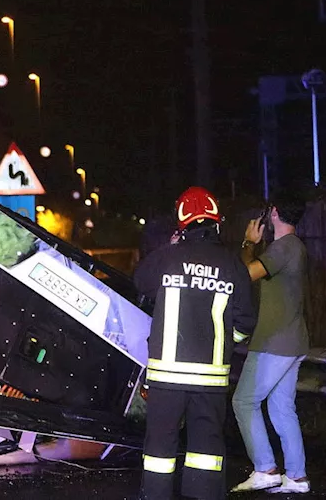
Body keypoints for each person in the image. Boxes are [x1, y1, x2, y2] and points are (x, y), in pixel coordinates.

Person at [133, 187, 256, 500]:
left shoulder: (168, 258)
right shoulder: (232, 266)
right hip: (210, 380)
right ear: (217, 224)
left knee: (160, 450)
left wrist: (170, 247)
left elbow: (140, 282)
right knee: (205, 450)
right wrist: (225, 344)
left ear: (181, 226)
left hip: (166, 379)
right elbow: (245, 322)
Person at [231, 196, 311, 494]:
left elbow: (245, 275)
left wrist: (248, 243)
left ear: (274, 213)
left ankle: (265, 468)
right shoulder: (295, 247)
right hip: (292, 340)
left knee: (244, 401)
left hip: (274, 341)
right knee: (281, 409)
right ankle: (297, 477)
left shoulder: (283, 248)